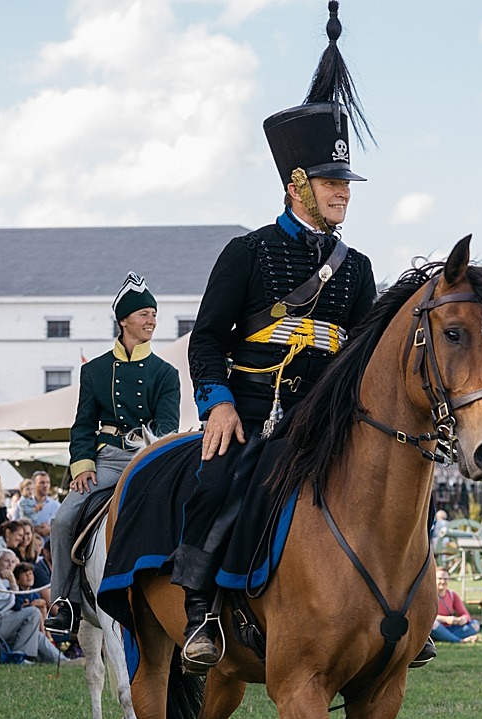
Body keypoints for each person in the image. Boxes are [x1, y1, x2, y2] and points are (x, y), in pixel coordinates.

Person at [168, 3, 379, 672]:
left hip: (327, 421)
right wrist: (219, 404)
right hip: (254, 412)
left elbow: (363, 357)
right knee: (215, 480)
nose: (344, 191)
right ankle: (200, 611)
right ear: (296, 185)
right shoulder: (248, 253)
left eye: (347, 180)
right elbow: (205, 341)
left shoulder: (361, 270)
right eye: (332, 181)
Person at [0, 549, 61, 663]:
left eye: (13, 561)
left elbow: (14, 604)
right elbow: (16, 605)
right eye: (6, 561)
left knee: (37, 635)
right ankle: (19, 657)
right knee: (33, 612)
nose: (10, 564)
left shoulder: (3, 580)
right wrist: (12, 582)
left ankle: (63, 660)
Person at [430, 569, 478, 643]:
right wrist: (445, 619)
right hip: (438, 626)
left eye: (445, 579)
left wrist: (463, 619)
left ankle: (445, 637)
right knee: (433, 624)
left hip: (452, 626)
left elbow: (465, 614)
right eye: (439, 579)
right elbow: (428, 617)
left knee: (475, 624)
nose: (443, 582)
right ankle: (460, 640)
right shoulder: (430, 595)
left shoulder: (452, 594)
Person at [17, 471, 60, 538]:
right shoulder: (22, 503)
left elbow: (62, 528)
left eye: (48, 482)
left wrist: (50, 530)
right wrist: (32, 529)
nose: (45, 485)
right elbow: (15, 524)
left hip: (48, 546)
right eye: (42, 483)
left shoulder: (56, 506)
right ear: (33, 484)